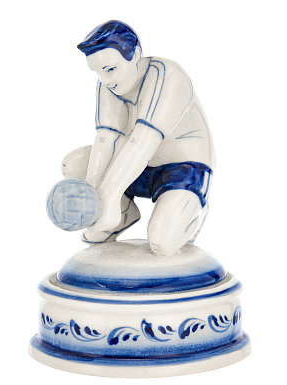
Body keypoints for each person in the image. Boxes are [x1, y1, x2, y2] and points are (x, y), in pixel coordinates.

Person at [62, 20, 215, 256]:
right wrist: (95, 201)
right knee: (73, 164)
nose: (105, 80)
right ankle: (122, 214)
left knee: (163, 244)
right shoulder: (108, 84)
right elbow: (106, 139)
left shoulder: (168, 76)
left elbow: (142, 142)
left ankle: (192, 209)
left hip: (183, 168)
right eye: (98, 72)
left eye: (110, 69)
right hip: (136, 165)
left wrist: (108, 196)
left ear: (135, 55)